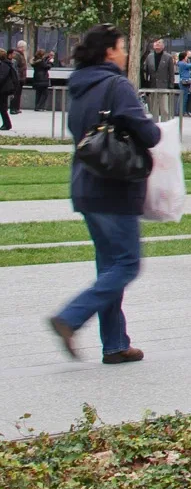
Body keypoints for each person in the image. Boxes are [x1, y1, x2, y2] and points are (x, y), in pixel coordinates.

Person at [46, 24, 160, 364]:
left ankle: (114, 344)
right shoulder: (117, 85)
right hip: (115, 186)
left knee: (109, 267)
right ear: (109, 51)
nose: (126, 53)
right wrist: (148, 125)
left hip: (86, 184)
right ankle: (70, 317)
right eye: (123, 47)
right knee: (127, 265)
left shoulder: (79, 86)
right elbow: (149, 135)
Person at [142, 39, 175, 118]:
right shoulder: (149, 57)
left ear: (163, 46)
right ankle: (155, 126)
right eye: (155, 42)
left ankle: (165, 126)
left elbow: (171, 73)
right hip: (152, 86)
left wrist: (171, 86)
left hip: (164, 87)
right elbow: (145, 71)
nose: (157, 44)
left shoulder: (168, 57)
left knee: (164, 110)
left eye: (159, 42)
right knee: (153, 110)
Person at [0, 48, 16, 130]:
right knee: (2, 107)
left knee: (2, 108)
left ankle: (7, 124)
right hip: (4, 89)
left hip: (3, 89)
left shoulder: (4, 65)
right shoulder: (6, 64)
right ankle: (6, 124)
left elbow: (2, 77)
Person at [10, 42, 26, 115]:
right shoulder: (16, 55)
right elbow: (15, 67)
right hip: (18, 77)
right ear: (21, 47)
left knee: (18, 94)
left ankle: (17, 108)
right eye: (24, 47)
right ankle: (13, 108)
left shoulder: (21, 54)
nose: (24, 49)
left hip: (21, 77)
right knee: (15, 93)